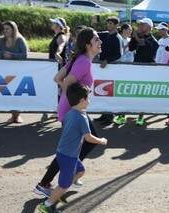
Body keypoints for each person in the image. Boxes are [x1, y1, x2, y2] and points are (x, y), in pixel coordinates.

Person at [34, 27, 104, 197]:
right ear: (88, 44)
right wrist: (74, 99)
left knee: (75, 146)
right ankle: (44, 183)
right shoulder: (83, 62)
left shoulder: (79, 58)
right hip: (72, 109)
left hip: (70, 108)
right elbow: (66, 84)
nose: (100, 42)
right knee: (77, 146)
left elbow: (57, 78)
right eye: (96, 40)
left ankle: (69, 170)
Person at [38, 83, 107, 212]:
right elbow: (88, 138)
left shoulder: (70, 112)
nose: (89, 100)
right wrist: (101, 141)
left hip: (66, 153)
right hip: (68, 156)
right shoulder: (82, 117)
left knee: (81, 171)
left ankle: (58, 193)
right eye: (88, 98)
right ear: (82, 100)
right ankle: (46, 206)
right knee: (64, 184)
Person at [0, 21, 28, 123]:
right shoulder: (0, 40)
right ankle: (12, 115)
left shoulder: (20, 40)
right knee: (7, 94)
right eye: (4, 29)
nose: (5, 31)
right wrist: (3, 54)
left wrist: (12, 55)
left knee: (17, 93)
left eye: (7, 29)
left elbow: (24, 55)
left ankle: (17, 116)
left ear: (13, 29)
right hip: (3, 72)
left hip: (18, 72)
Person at [129, 17, 159, 126]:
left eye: (142, 24)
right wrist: (134, 38)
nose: (139, 26)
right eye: (139, 24)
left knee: (143, 95)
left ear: (149, 27)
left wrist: (136, 36)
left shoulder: (153, 41)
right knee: (131, 92)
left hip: (147, 72)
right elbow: (131, 48)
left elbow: (143, 44)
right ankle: (122, 115)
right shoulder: (138, 37)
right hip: (136, 69)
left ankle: (141, 116)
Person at [94, 16, 123, 126]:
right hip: (103, 68)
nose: (109, 25)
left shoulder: (117, 38)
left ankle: (110, 116)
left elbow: (118, 54)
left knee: (109, 92)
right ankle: (104, 114)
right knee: (103, 92)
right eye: (108, 23)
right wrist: (94, 24)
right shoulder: (105, 34)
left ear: (116, 25)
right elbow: (93, 33)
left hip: (112, 69)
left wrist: (107, 60)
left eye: (111, 23)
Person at [114, 23, 134, 126]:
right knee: (118, 91)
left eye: (131, 30)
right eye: (129, 29)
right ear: (124, 30)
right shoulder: (118, 38)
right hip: (120, 68)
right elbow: (120, 52)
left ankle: (123, 114)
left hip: (130, 69)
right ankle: (119, 113)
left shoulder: (131, 40)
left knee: (126, 91)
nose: (131, 31)